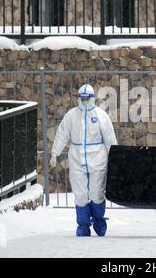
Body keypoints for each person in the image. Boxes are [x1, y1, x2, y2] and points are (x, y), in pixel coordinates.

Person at [50, 84, 117, 237]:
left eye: (87, 99)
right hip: (77, 158)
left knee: (96, 192)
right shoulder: (72, 116)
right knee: (80, 193)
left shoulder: (101, 116)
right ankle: (83, 225)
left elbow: (109, 138)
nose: (85, 102)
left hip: (97, 158)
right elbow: (62, 134)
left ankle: (99, 221)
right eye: (82, 99)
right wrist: (55, 153)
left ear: (93, 98)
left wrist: (114, 157)